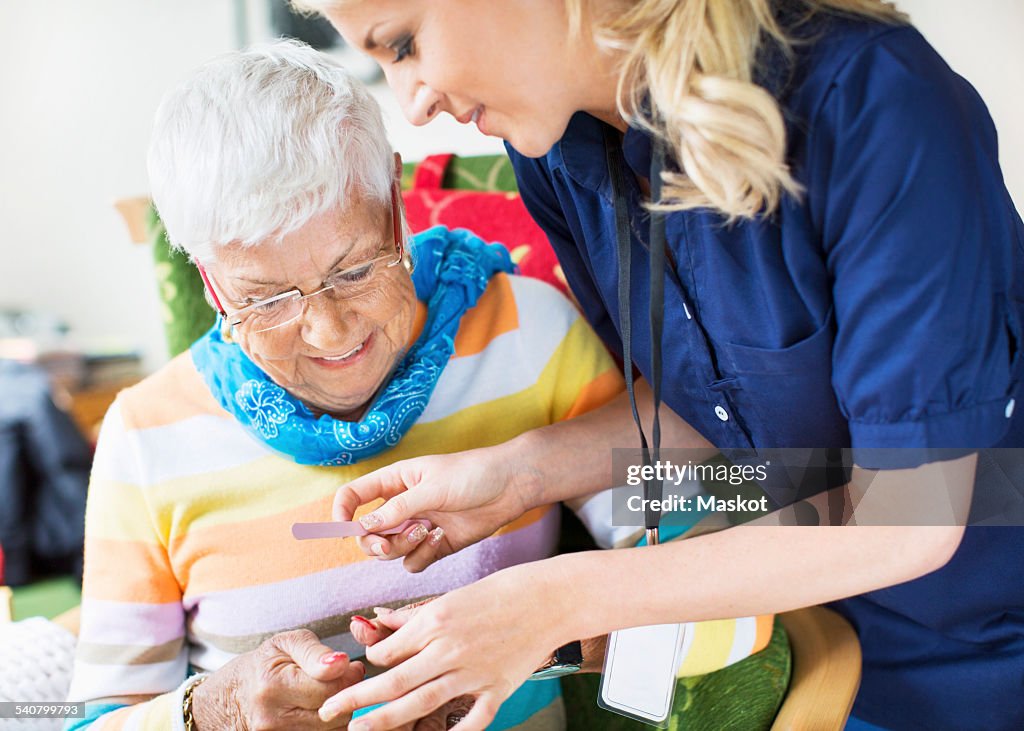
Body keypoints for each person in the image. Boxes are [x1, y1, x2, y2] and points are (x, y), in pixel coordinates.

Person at [289, 1, 1024, 730]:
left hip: (987, 654)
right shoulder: (554, 151)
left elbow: (911, 512)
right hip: (808, 636)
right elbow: (735, 406)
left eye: (405, 43)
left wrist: (563, 597)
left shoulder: (871, 97)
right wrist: (519, 474)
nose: (412, 107)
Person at [64, 39, 628, 730]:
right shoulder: (144, 438)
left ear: (394, 203)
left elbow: (726, 586)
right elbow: (88, 721)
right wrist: (210, 711)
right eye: (267, 299)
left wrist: (550, 634)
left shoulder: (531, 334)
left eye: (355, 269)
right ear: (208, 278)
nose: (332, 334)